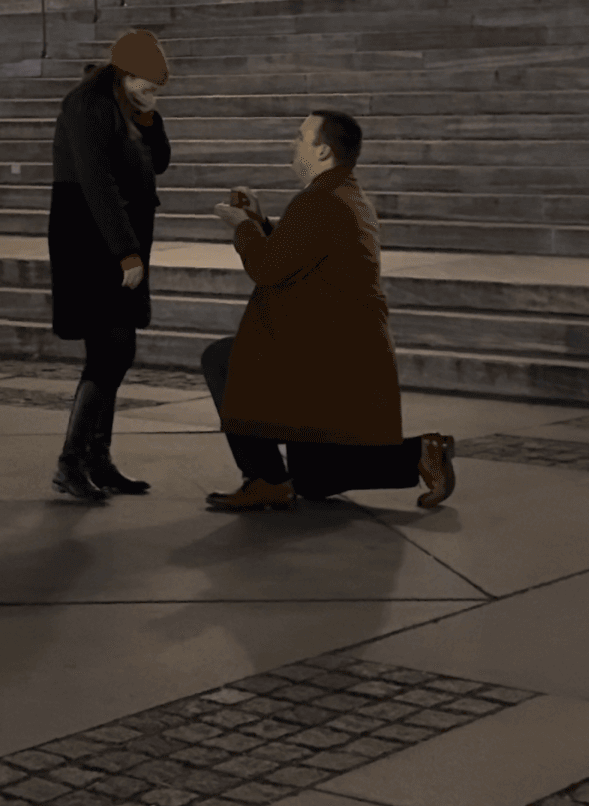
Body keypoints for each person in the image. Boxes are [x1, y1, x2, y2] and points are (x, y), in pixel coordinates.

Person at [203, 110, 455, 511]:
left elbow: (267, 268)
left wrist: (242, 226)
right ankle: (419, 454)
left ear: (322, 151)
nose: (292, 144)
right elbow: (298, 254)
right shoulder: (343, 194)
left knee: (222, 359)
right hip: (335, 348)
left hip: (322, 354)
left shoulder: (319, 200)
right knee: (314, 477)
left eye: (300, 137)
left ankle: (265, 479)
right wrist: (260, 222)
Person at [45, 29, 172, 501]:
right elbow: (96, 182)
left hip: (118, 237)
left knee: (115, 349)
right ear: (123, 72)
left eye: (156, 88)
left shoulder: (130, 106)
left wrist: (149, 117)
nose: (151, 92)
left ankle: (97, 459)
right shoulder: (87, 105)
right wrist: (126, 251)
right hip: (90, 240)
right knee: (111, 350)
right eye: (146, 85)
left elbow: (160, 162)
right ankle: (71, 463)